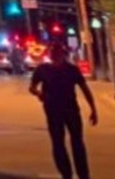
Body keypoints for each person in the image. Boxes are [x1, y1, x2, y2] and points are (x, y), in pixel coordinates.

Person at [30, 41, 98, 179]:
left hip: (71, 109)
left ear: (62, 53)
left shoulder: (71, 69)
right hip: (52, 110)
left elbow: (84, 89)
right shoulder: (42, 69)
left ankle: (83, 174)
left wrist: (93, 109)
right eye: (52, 52)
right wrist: (39, 93)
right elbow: (32, 87)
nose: (55, 54)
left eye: (57, 52)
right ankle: (66, 173)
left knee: (77, 142)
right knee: (57, 143)